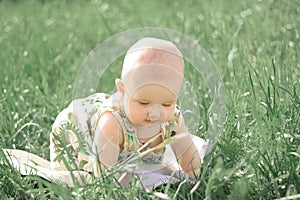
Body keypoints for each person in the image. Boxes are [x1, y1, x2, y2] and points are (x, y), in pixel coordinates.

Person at [5, 37, 208, 190]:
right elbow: (104, 181)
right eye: (143, 102)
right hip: (76, 133)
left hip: (124, 149)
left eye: (166, 103)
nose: (155, 113)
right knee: (76, 176)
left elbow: (189, 159)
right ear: (122, 90)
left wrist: (191, 178)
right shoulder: (112, 123)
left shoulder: (172, 120)